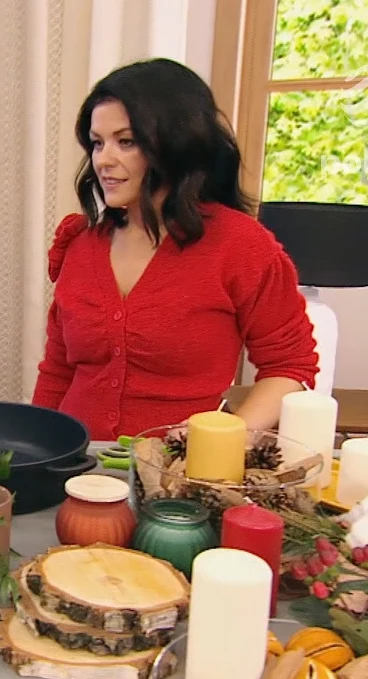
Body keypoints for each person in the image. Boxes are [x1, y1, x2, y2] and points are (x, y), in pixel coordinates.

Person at [30, 58, 318, 441]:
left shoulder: (239, 245)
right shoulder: (80, 245)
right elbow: (57, 371)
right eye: (97, 143)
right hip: (75, 463)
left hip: (182, 467)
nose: (103, 160)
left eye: (126, 142)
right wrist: (33, 452)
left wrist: (227, 434)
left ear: (175, 145)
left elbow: (290, 366)